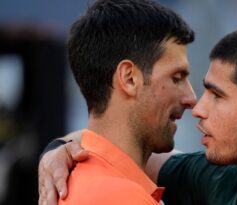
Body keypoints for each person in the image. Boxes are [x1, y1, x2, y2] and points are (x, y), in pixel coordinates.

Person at [39, 21, 237, 205]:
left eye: (217, 96)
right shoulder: (217, 180)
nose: (198, 107)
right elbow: (113, 143)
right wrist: (56, 151)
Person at [46, 0, 196, 204]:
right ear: (129, 78)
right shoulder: (119, 196)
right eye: (176, 78)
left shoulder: (87, 182)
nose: (191, 98)